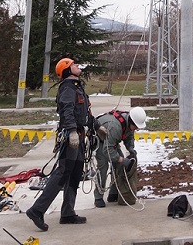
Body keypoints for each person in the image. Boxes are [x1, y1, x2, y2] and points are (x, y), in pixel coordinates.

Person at [26, 58, 102, 231]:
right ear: (67, 70)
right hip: (71, 137)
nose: (78, 66)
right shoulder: (68, 88)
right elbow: (67, 110)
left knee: (75, 174)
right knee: (62, 173)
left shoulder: (77, 87)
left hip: (80, 136)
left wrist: (97, 125)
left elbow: (84, 113)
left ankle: (68, 212)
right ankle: (37, 210)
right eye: (74, 65)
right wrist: (72, 132)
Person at [93, 106, 146, 207]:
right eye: (136, 126)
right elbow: (107, 149)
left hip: (111, 142)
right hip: (101, 142)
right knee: (103, 168)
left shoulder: (129, 123)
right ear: (131, 122)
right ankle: (98, 197)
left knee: (119, 166)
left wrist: (131, 148)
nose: (137, 129)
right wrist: (121, 159)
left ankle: (113, 193)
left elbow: (129, 137)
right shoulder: (115, 127)